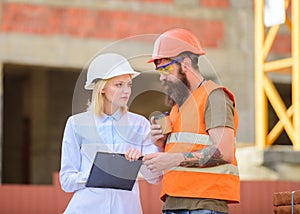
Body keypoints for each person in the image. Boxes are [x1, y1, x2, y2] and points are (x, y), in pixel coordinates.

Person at [143, 28, 240, 214]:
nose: (162, 77)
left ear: (185, 63)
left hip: (203, 205)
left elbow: (224, 151)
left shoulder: (215, 97)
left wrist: (172, 159)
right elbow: (185, 149)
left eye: (166, 68)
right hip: (173, 204)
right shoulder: (177, 107)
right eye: (159, 71)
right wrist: (160, 144)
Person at [59, 53, 161, 214]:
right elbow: (66, 181)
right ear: (102, 89)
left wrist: (141, 160)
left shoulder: (140, 124)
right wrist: (98, 175)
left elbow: (154, 178)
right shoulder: (76, 124)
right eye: (119, 84)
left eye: (129, 84)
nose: (126, 90)